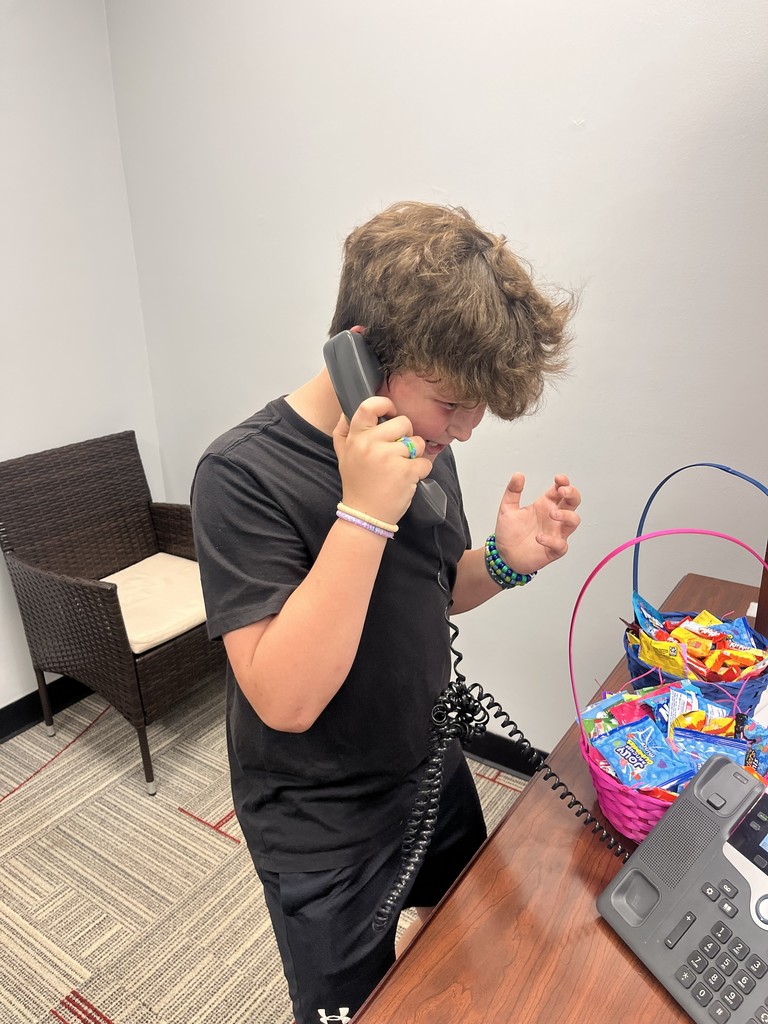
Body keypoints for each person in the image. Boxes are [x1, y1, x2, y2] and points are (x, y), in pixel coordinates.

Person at [191, 201, 582, 1024]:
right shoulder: (241, 475)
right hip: (321, 823)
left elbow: (434, 592)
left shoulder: (421, 443)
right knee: (359, 1008)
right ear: (360, 358)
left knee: (470, 952)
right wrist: (363, 512)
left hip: (429, 765)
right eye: (453, 403)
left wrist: (506, 562)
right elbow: (283, 697)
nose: (467, 430)